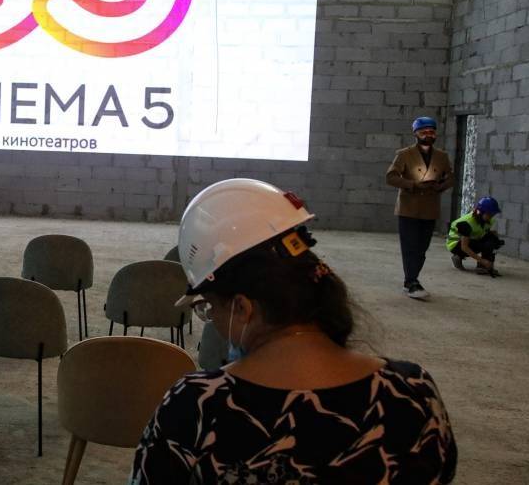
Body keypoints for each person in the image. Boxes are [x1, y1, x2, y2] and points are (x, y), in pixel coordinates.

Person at [131, 178, 457, 484]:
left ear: (242, 308)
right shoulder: (414, 393)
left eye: (208, 308)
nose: (212, 320)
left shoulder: (196, 407)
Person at [385, 116, 454, 300]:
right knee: (410, 246)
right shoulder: (404, 154)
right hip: (409, 207)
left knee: (422, 247)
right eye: (424, 132)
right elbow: (391, 177)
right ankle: (411, 282)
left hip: (430, 207)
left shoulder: (442, 156)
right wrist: (412, 185)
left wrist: (440, 186)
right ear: (415, 134)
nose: (428, 135)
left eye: (431, 132)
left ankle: (412, 279)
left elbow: (451, 177)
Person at [447, 196, 503, 277]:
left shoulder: (487, 220)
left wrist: (494, 238)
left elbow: (483, 232)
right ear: (480, 212)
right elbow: (464, 247)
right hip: (455, 245)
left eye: (493, 214)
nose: (491, 216)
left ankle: (483, 267)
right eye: (489, 214)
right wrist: (482, 260)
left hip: (470, 240)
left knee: (492, 239)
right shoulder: (466, 223)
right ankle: (458, 256)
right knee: (481, 245)